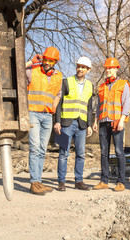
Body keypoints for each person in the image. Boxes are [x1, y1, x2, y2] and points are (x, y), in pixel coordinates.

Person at [26, 47, 63, 195]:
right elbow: (16, 70)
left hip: (48, 116)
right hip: (33, 113)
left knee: (42, 149)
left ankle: (38, 181)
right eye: (45, 59)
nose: (47, 62)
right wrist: (30, 62)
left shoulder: (58, 76)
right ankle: (34, 182)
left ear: (55, 62)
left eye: (50, 60)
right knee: (34, 147)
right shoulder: (32, 71)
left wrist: (54, 106)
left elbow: (59, 94)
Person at [54, 57, 94, 191]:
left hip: (82, 125)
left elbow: (89, 107)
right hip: (66, 124)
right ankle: (61, 182)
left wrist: (89, 124)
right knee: (63, 153)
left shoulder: (90, 85)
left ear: (88, 70)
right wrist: (57, 121)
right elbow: (59, 103)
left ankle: (79, 181)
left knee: (81, 154)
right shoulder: (66, 82)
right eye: (78, 66)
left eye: (83, 67)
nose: (80, 69)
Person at [92, 57, 130, 192]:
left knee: (119, 151)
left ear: (116, 69)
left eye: (110, 68)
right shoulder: (101, 87)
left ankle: (121, 182)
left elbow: (126, 104)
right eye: (106, 68)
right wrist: (95, 121)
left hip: (116, 122)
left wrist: (122, 121)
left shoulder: (123, 84)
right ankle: (104, 181)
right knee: (104, 152)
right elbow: (98, 106)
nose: (108, 70)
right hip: (103, 122)